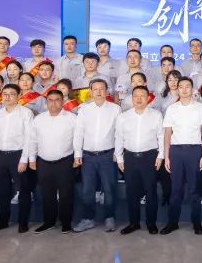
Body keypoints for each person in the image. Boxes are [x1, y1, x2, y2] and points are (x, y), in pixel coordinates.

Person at [161, 77, 202, 235]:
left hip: (194, 151)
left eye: (187, 86)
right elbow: (167, 134)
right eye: (181, 86)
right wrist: (166, 156)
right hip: (175, 151)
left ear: (193, 89)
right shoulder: (171, 108)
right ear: (177, 89)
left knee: (194, 190)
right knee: (176, 189)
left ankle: (197, 223)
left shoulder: (200, 108)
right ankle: (172, 222)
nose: (184, 89)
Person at [0, 84, 36, 234]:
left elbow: (29, 138)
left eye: (11, 94)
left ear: (19, 95)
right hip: (0, 156)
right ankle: (2, 221)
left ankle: (23, 222)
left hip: (18, 155)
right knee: (2, 191)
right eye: (4, 94)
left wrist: (24, 159)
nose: (7, 97)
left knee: (24, 191)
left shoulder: (26, 113)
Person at [73, 79, 122, 232]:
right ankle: (88, 219)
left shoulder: (115, 109)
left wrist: (118, 153)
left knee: (109, 188)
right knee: (87, 189)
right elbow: (78, 132)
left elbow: (119, 133)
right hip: (88, 157)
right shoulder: (84, 109)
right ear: (91, 91)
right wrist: (77, 153)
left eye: (102, 89)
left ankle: (110, 217)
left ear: (107, 91)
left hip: (108, 155)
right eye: (95, 89)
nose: (99, 92)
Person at [27, 89, 79, 234]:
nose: (53, 103)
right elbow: (33, 140)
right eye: (50, 100)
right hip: (43, 162)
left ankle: (66, 223)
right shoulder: (39, 119)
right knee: (46, 194)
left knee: (66, 194)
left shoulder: (72, 118)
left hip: (65, 161)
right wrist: (32, 158)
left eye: (57, 100)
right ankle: (49, 222)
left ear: (62, 101)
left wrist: (77, 157)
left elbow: (77, 139)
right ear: (46, 102)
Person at [116, 85, 164, 235]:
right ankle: (133, 223)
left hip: (149, 157)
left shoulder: (156, 115)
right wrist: (119, 158)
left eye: (142, 96)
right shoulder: (123, 117)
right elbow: (119, 137)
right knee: (131, 192)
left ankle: (151, 223)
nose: (139, 99)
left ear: (148, 98)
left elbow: (161, 136)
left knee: (151, 191)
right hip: (130, 158)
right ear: (131, 99)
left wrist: (161, 155)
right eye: (135, 96)